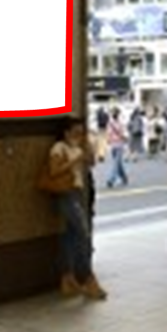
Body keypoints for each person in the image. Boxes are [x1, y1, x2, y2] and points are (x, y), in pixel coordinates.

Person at [47, 117, 107, 300]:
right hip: (66, 195)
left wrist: (87, 147)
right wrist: (74, 160)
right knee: (83, 234)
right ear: (66, 133)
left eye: (81, 133)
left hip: (78, 194)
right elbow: (53, 171)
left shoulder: (77, 148)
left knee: (70, 236)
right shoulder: (59, 148)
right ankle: (88, 278)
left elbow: (91, 163)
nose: (78, 136)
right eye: (75, 132)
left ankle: (68, 278)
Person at [105, 107, 129, 188]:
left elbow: (108, 134)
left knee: (116, 163)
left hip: (117, 145)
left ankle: (111, 179)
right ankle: (124, 177)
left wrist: (109, 140)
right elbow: (123, 133)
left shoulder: (111, 123)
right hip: (117, 144)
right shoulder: (118, 123)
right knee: (118, 163)